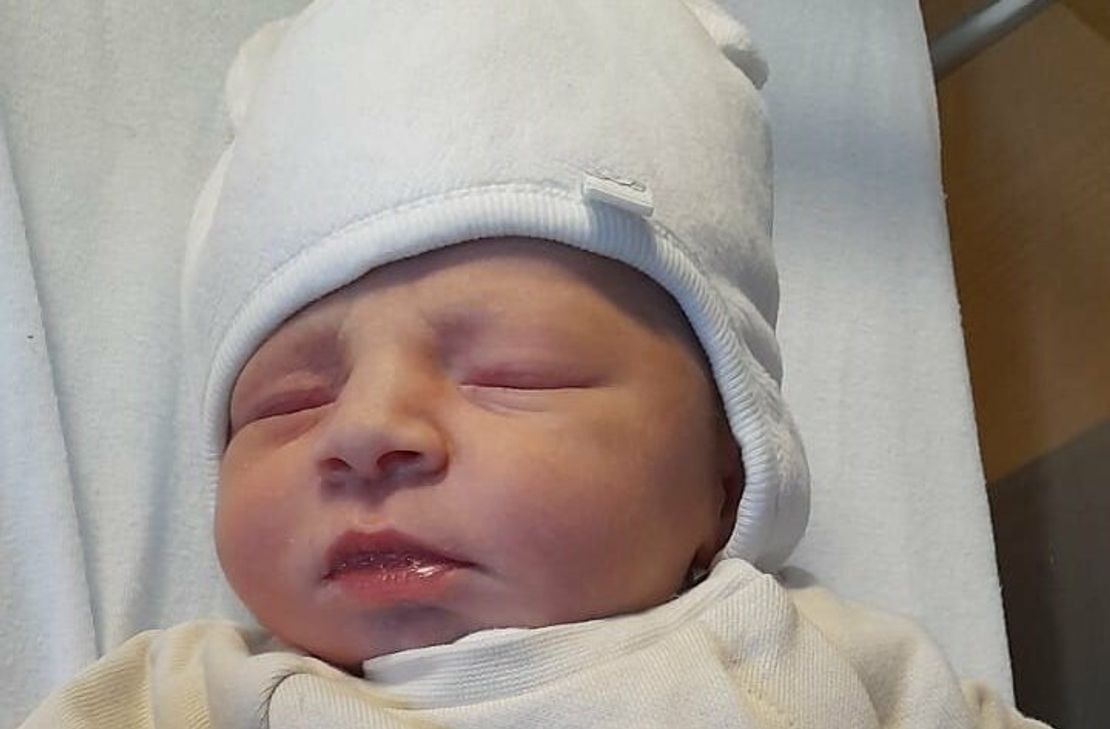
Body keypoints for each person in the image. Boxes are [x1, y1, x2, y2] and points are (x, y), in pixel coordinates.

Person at [18, 0, 1050, 726]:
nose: (365, 430)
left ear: (726, 483)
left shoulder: (828, 664)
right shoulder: (187, 696)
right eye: (289, 402)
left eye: (515, 372)